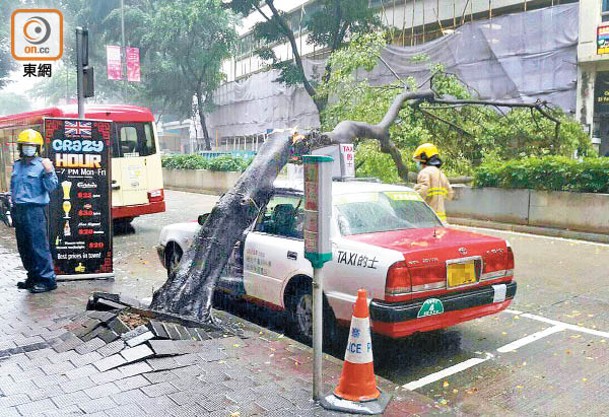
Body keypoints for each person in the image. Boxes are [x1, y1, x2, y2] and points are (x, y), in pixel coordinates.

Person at [10, 129, 59, 293]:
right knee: (24, 246)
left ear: (37, 147)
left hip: (35, 210)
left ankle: (47, 279)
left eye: (31, 146)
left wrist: (48, 171)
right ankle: (33, 276)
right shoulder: (17, 165)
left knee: (38, 246)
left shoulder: (42, 165)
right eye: (25, 145)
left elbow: (52, 187)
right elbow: (14, 187)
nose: (28, 148)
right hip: (19, 209)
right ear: (20, 147)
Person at [412, 143, 454, 222]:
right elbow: (450, 195)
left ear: (424, 158)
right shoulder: (441, 174)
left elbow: (420, 194)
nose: (418, 163)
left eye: (418, 159)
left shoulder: (424, 173)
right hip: (441, 220)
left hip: (428, 219)